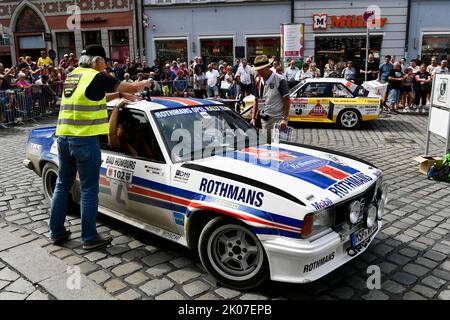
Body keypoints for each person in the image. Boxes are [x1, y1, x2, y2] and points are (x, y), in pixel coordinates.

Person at [50, 44, 152, 250]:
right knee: (88, 189)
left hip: (63, 138)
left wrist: (120, 97)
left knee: (62, 185)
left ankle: (56, 232)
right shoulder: (96, 76)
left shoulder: (73, 76)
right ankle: (89, 237)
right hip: (85, 140)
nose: (105, 66)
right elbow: (131, 87)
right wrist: (147, 81)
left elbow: (94, 99)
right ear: (97, 61)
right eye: (104, 62)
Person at [250, 55, 290, 142]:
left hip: (278, 120)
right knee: (267, 146)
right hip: (264, 120)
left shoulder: (279, 79)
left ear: (268, 67)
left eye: (262, 69)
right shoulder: (258, 80)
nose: (259, 71)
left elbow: (287, 99)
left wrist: (284, 119)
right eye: (258, 69)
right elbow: (256, 100)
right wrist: (253, 117)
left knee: (279, 147)